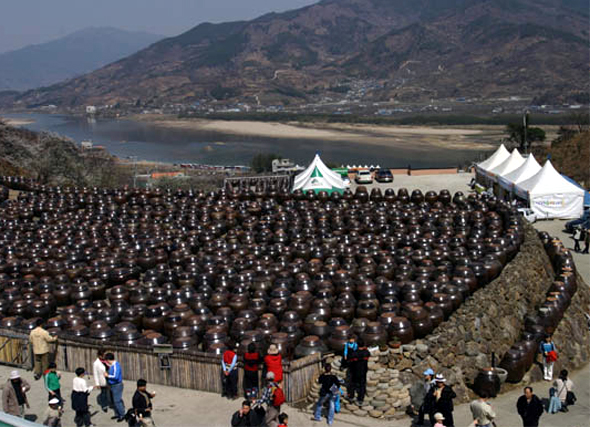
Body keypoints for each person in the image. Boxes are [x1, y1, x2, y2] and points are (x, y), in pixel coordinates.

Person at [347, 339, 370, 405]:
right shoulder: (366, 352)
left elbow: (350, 359)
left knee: (352, 384)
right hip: (363, 371)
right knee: (362, 385)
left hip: (355, 371)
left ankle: (351, 397)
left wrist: (350, 350)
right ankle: (360, 399)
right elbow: (368, 354)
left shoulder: (355, 353)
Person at [104, 352, 125, 422]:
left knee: (117, 401)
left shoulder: (116, 365)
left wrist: (108, 376)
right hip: (112, 385)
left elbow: (115, 376)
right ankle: (117, 413)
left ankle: (122, 415)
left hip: (117, 385)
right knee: (114, 401)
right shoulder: (112, 365)